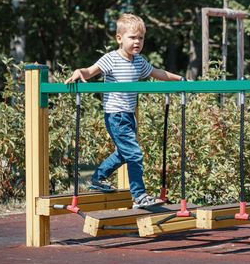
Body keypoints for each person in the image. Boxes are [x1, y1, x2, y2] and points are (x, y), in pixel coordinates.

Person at [65, 13, 182, 209]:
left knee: (124, 153)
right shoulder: (111, 59)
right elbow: (90, 71)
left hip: (128, 115)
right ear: (120, 38)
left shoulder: (139, 61)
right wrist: (79, 71)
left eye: (141, 38)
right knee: (134, 154)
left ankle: (97, 178)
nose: (137, 42)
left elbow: (157, 73)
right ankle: (139, 195)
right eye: (132, 37)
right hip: (116, 115)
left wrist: (180, 79)